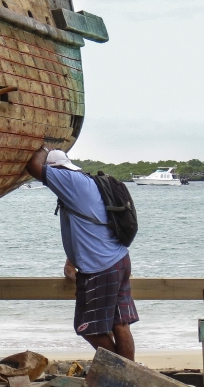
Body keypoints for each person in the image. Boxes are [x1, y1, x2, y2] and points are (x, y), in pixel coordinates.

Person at [26, 147, 138, 360]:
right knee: (119, 323)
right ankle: (129, 377)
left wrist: (44, 148)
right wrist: (72, 260)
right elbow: (89, 226)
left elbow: (33, 167)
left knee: (87, 328)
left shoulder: (68, 180)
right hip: (119, 259)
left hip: (100, 268)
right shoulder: (85, 182)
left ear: (57, 170)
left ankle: (121, 372)